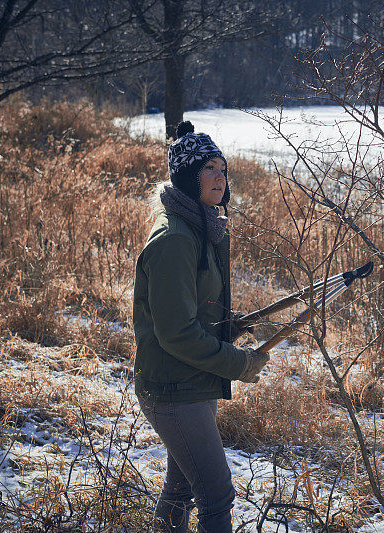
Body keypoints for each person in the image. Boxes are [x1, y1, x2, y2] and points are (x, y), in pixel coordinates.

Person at [132, 120, 269, 532]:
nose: (220, 177)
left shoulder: (200, 225)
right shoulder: (175, 239)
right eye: (209, 168)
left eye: (223, 168)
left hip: (191, 378)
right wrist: (238, 364)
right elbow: (175, 332)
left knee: (181, 487)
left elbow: (194, 310)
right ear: (189, 178)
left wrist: (229, 325)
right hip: (174, 387)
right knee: (215, 492)